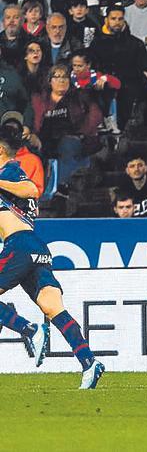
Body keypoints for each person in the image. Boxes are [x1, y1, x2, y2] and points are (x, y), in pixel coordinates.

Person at [0, 124, 105, 389]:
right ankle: (89, 362)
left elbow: (31, 190)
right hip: (34, 248)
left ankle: (28, 330)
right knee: (52, 306)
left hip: (20, 245)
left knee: (48, 308)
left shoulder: (9, 170)